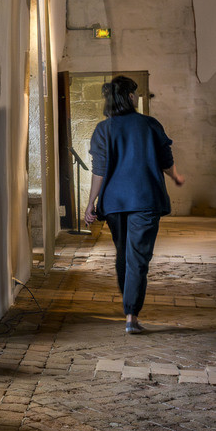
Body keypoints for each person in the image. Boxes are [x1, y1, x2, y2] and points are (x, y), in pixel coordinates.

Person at [82, 75, 185, 333]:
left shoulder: (103, 130)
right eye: (135, 93)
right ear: (130, 97)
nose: (137, 97)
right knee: (137, 257)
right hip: (145, 199)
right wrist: (175, 176)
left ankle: (129, 309)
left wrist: (90, 203)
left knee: (124, 254)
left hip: (115, 202)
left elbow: (99, 171)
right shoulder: (149, 124)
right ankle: (131, 316)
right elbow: (165, 158)